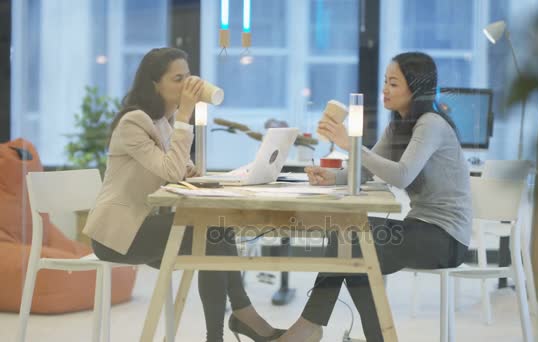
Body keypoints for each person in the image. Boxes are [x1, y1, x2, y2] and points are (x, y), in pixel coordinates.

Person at [83, 47, 284, 342]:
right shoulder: (133, 122)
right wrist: (185, 116)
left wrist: (194, 167)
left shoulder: (162, 123)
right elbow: (170, 169)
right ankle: (235, 322)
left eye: (188, 77)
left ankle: (233, 322)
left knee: (215, 232)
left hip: (145, 224)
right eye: (178, 79)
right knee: (211, 236)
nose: (187, 85)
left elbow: (182, 170)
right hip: (117, 235)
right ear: (155, 84)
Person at [279, 52, 473, 342]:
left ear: (416, 88)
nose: (384, 89)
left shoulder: (431, 124)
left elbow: (402, 175)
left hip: (445, 238)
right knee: (350, 239)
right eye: (385, 81)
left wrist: (352, 143)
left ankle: (310, 326)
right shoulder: (399, 125)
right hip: (419, 227)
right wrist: (332, 177)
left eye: (393, 83)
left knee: (354, 245)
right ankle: (327, 329)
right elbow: (366, 170)